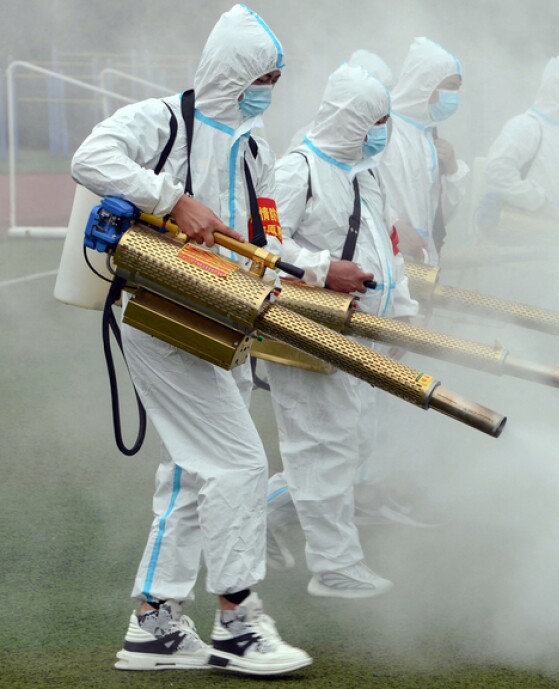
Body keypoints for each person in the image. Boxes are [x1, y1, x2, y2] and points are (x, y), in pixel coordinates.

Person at [70, 4, 311, 676]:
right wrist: (171, 199)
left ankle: (153, 622)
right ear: (234, 71)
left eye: (277, 77)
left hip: (224, 321)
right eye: (266, 74)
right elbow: (90, 157)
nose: (271, 87)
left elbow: (270, 238)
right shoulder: (165, 121)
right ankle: (236, 620)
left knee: (190, 468)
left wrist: (318, 276)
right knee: (237, 462)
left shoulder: (255, 147)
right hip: (160, 313)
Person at [263, 62, 416, 598]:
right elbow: (260, 249)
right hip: (308, 329)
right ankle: (335, 565)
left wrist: (401, 313)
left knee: (349, 442)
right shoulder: (296, 171)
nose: (384, 129)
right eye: (377, 119)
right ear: (353, 119)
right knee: (322, 446)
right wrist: (326, 270)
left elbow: (385, 247)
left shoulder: (364, 171)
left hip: (360, 332)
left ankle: (264, 512)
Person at [382, 37, 468, 266]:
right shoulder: (383, 128)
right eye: (449, 87)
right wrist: (392, 224)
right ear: (425, 84)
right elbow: (353, 191)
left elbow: (440, 217)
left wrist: (452, 171)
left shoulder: (430, 137)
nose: (454, 97)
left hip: (421, 262)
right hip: (383, 255)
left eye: (458, 89)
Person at [477, 55, 559, 234]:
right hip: (513, 228)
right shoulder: (526, 126)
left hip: (548, 231)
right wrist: (538, 201)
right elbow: (497, 172)